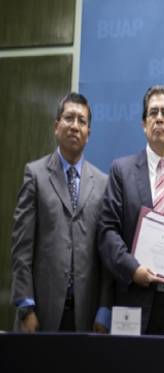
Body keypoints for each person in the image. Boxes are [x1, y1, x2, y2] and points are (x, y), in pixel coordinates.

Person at [98, 85, 164, 335]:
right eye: (153, 113)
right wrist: (133, 270)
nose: (159, 118)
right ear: (144, 124)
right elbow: (107, 231)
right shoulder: (122, 171)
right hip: (134, 296)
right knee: (132, 372)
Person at [10, 92, 110, 332]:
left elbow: (105, 256)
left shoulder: (102, 182)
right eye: (69, 118)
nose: (75, 126)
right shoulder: (35, 175)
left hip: (85, 315)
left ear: (89, 133)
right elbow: (21, 248)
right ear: (56, 126)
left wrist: (104, 310)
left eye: (82, 121)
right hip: (40, 313)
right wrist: (26, 307)